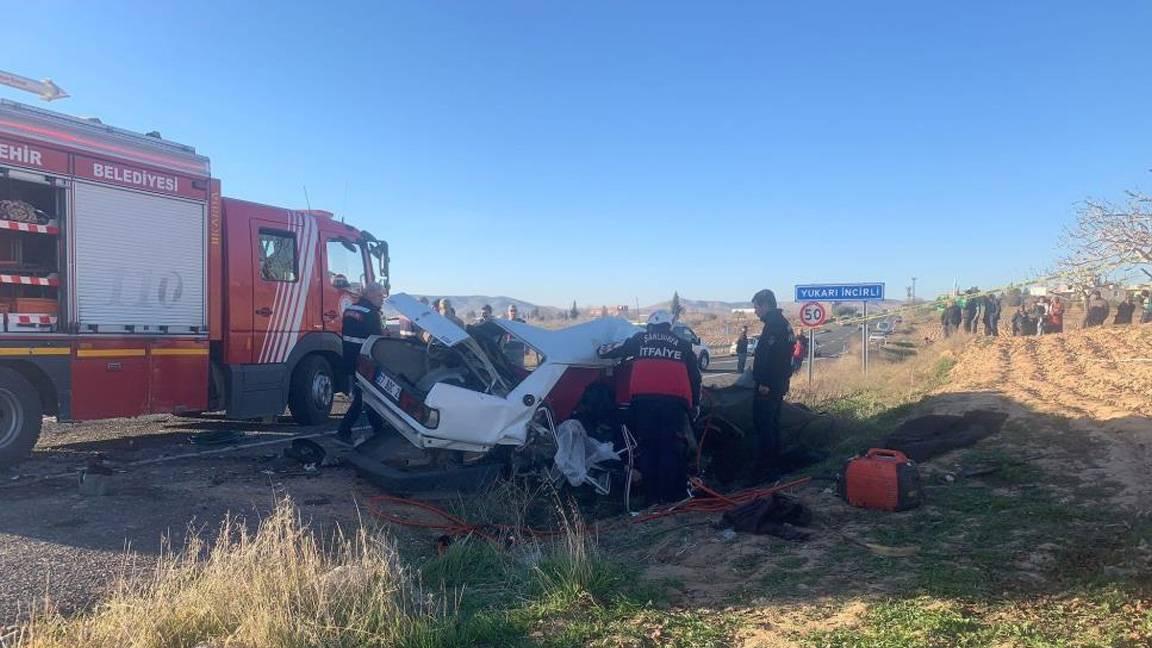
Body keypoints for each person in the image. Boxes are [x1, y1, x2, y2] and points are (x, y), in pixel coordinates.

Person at [599, 310, 701, 504]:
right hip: (674, 405)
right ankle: (673, 497)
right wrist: (694, 405)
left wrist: (598, 350)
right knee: (671, 448)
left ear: (650, 325)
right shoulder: (684, 345)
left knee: (649, 448)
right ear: (669, 327)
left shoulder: (640, 339)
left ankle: (652, 497)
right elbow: (695, 379)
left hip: (644, 403)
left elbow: (608, 351)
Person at [751, 289, 796, 470]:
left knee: (764, 425)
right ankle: (773, 464)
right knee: (773, 424)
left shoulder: (774, 326)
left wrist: (764, 383)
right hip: (778, 383)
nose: (755, 311)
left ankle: (766, 467)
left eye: (756, 307)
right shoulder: (782, 324)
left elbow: (770, 358)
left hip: (769, 386)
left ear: (766, 305)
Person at [337, 282, 388, 442]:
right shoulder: (371, 312)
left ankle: (378, 430)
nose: (382, 299)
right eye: (380, 295)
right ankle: (344, 431)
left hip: (350, 359)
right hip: (365, 362)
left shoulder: (350, 310)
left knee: (366, 396)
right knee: (363, 398)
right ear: (371, 294)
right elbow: (376, 341)